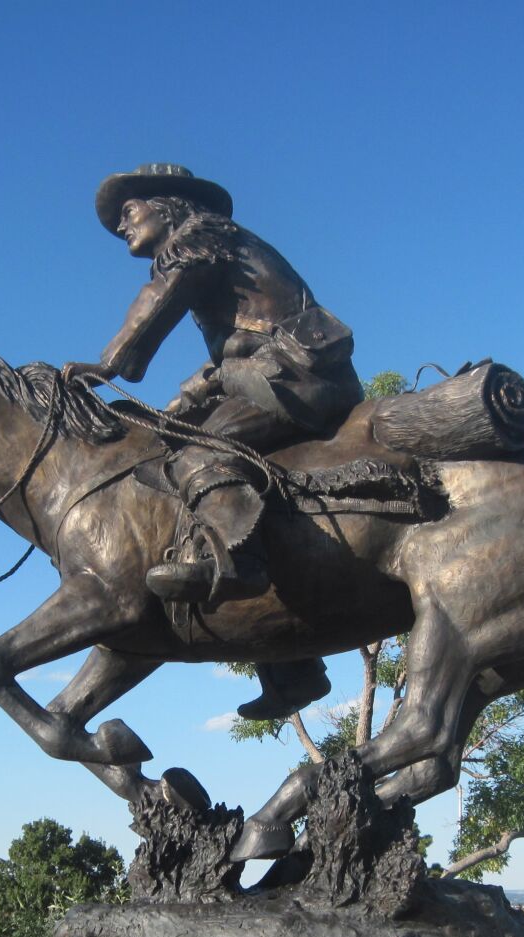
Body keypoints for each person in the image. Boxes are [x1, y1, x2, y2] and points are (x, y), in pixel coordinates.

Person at [64, 164, 362, 719]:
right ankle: (292, 668)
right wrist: (186, 395)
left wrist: (107, 365)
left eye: (130, 211)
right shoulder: (219, 250)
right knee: (187, 446)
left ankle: (238, 564)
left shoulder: (200, 239)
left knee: (202, 450)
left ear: (170, 205)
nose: (122, 225)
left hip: (298, 376)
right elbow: (232, 347)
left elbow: (158, 304)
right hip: (269, 371)